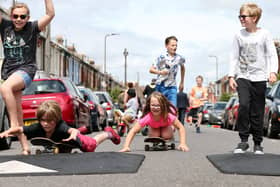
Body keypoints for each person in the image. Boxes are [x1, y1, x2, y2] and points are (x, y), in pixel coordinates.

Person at [0, 1, 55, 155]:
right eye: (15, 16)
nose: (19, 19)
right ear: (11, 16)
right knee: (18, 111)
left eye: (22, 16)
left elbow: (50, 14)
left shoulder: (32, 28)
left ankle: (12, 125)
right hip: (9, 72)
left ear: (27, 17)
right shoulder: (4, 26)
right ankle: (25, 146)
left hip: (26, 70)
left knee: (4, 88)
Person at [229, 3, 278, 154]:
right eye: (240, 16)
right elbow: (234, 56)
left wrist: (273, 72)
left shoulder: (265, 34)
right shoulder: (239, 35)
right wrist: (231, 76)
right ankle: (243, 141)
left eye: (244, 16)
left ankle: (257, 143)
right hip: (243, 76)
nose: (241, 19)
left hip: (260, 78)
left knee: (257, 110)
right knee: (243, 106)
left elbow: (271, 54)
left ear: (254, 18)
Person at [0, 100, 121, 153]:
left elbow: (72, 130)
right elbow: (21, 129)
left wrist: (75, 134)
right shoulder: (37, 128)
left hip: (77, 139)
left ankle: (109, 133)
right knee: (62, 149)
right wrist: (7, 132)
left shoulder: (61, 127)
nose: (46, 124)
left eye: (50, 121)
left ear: (56, 120)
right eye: (43, 120)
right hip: (62, 141)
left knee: (91, 145)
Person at [119, 91, 189, 152]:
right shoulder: (147, 117)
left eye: (158, 105)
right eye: (153, 105)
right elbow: (133, 130)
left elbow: (180, 127)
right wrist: (126, 146)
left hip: (166, 126)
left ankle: (171, 129)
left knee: (166, 135)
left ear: (163, 105)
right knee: (154, 137)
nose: (155, 108)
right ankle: (158, 134)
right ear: (149, 105)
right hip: (154, 127)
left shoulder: (168, 115)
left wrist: (182, 143)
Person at [149, 36, 185, 106]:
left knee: (172, 108)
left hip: (172, 87)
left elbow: (183, 68)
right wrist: (160, 72)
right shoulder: (161, 57)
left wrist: (182, 82)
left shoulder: (179, 58)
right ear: (166, 46)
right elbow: (151, 70)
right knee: (160, 108)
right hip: (160, 86)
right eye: (172, 45)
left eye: (176, 45)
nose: (175, 47)